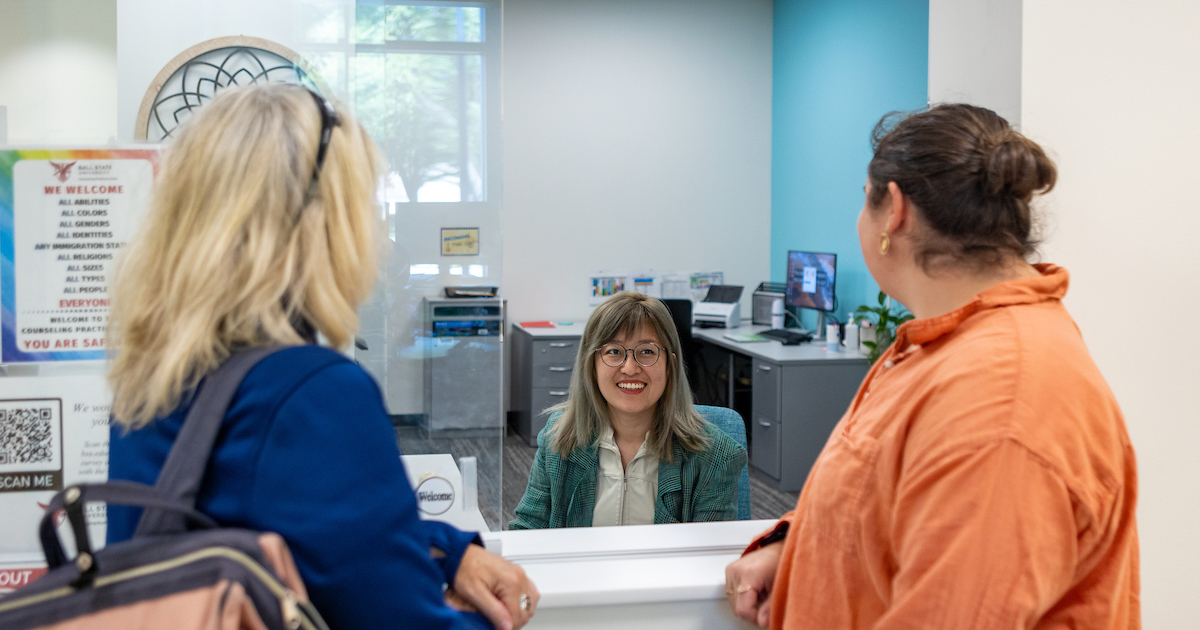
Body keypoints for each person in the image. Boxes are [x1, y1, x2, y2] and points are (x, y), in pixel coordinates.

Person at [105, 84, 538, 630]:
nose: (376, 231)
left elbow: (279, 523)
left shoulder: (154, 375)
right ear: (319, 225)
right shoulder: (313, 393)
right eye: (364, 205)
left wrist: (448, 549)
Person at [725, 104, 1139, 629]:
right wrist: (792, 547)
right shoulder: (942, 349)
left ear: (893, 209)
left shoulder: (1001, 400)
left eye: (864, 200)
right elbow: (880, 504)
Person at [509, 291, 747, 529]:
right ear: (591, 365)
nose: (630, 368)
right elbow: (527, 533)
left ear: (670, 365)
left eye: (647, 352)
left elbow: (707, 557)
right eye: (613, 351)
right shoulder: (559, 439)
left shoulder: (715, 456)